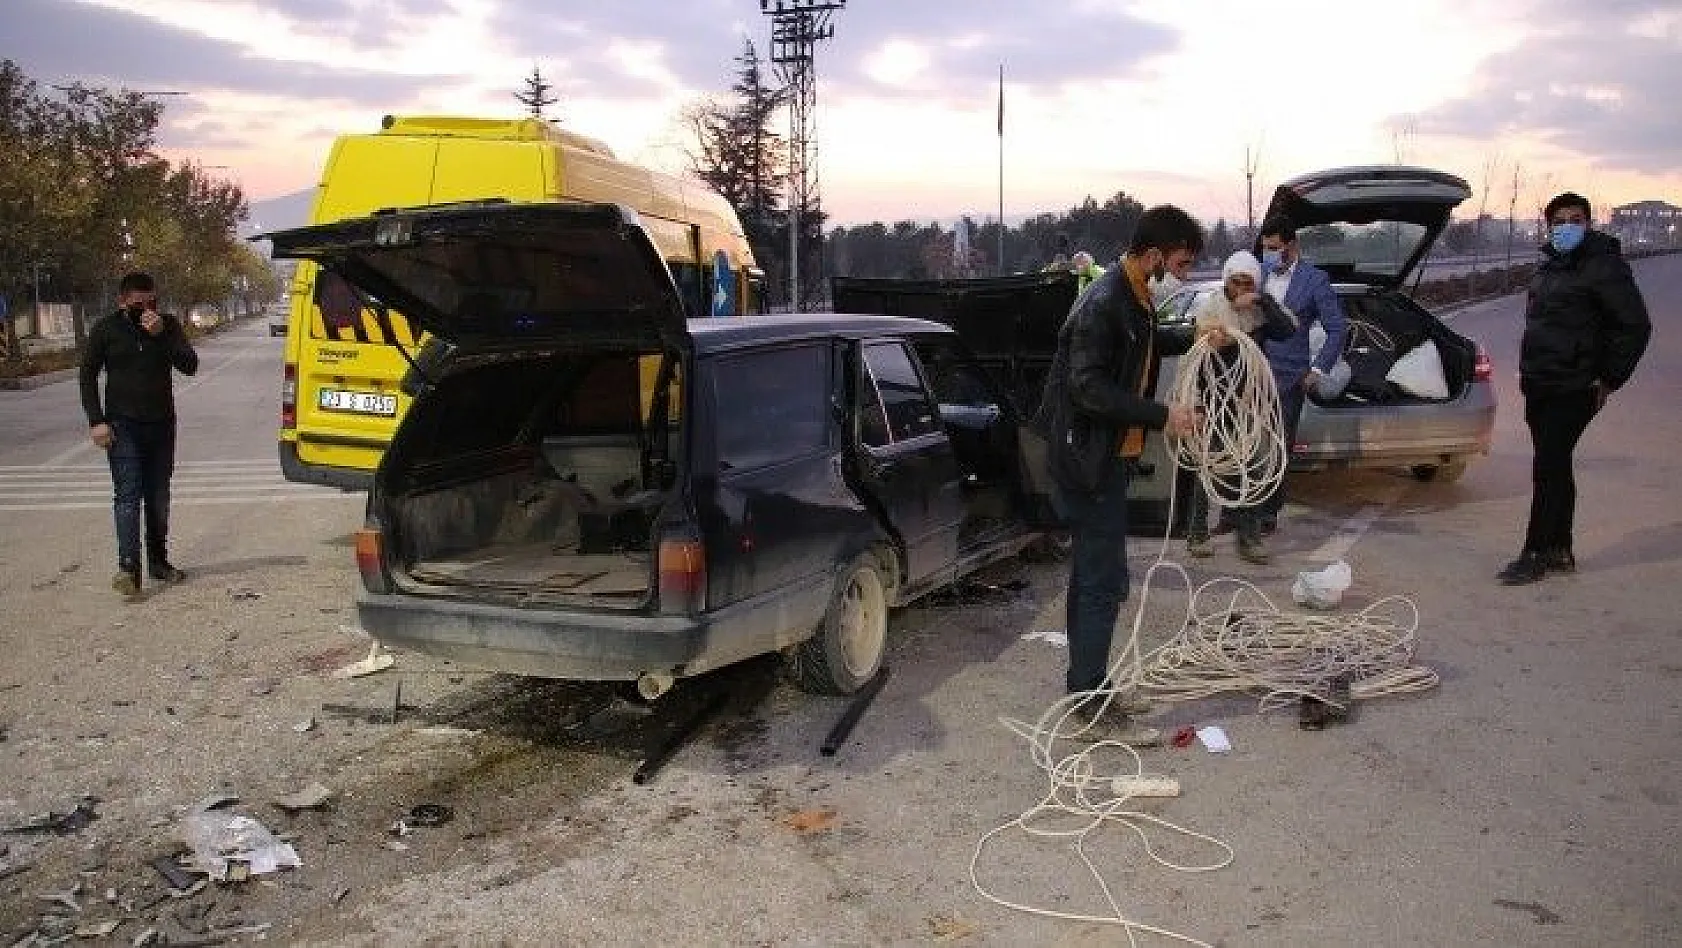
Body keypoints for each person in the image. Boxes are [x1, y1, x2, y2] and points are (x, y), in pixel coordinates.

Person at [1034, 205, 1204, 746]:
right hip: (1088, 463)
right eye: (1180, 259)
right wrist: (1162, 416)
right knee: (1099, 581)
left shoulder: (1133, 294)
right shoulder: (1105, 301)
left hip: (1108, 461)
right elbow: (1086, 389)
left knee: (1099, 577)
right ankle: (1088, 698)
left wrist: (1203, 333)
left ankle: (1092, 687)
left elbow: (1147, 341)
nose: (1184, 268)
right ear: (1155, 253)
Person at [1498, 192, 1650, 585]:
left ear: (1587, 223)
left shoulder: (1602, 266)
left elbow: (1635, 326)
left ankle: (1534, 553)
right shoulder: (1549, 264)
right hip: (1541, 381)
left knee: (1548, 466)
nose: (1567, 226)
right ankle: (1559, 550)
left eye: (1576, 219)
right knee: (1556, 465)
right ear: (1549, 225)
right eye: (1560, 220)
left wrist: (1609, 377)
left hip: (1575, 384)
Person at [1217, 214, 1346, 536]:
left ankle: (1266, 514)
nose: (1271, 254)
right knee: (1237, 440)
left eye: (1276, 248)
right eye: (1266, 248)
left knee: (1275, 447)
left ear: (1292, 245)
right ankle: (1231, 512)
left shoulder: (1314, 280)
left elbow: (1336, 329)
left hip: (1289, 378)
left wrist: (1317, 370)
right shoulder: (1258, 274)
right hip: (1247, 371)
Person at [79, 272, 199, 599]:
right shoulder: (106, 330)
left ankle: (158, 563)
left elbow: (190, 365)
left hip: (161, 424)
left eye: (152, 302)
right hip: (122, 425)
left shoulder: (169, 326)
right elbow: (87, 375)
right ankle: (128, 570)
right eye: (138, 304)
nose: (146, 309)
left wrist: (161, 336)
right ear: (122, 302)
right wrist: (96, 421)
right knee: (128, 497)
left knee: (158, 497)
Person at [1182, 251, 1297, 562]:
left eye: (1247, 282)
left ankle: (1249, 536)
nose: (1241, 287)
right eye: (1236, 282)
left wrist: (1263, 302)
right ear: (1227, 280)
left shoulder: (1258, 312)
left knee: (1253, 464)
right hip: (1214, 399)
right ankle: (1196, 534)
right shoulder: (1214, 306)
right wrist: (1232, 312)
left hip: (1248, 401)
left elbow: (1288, 330)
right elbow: (1204, 343)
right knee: (1207, 465)